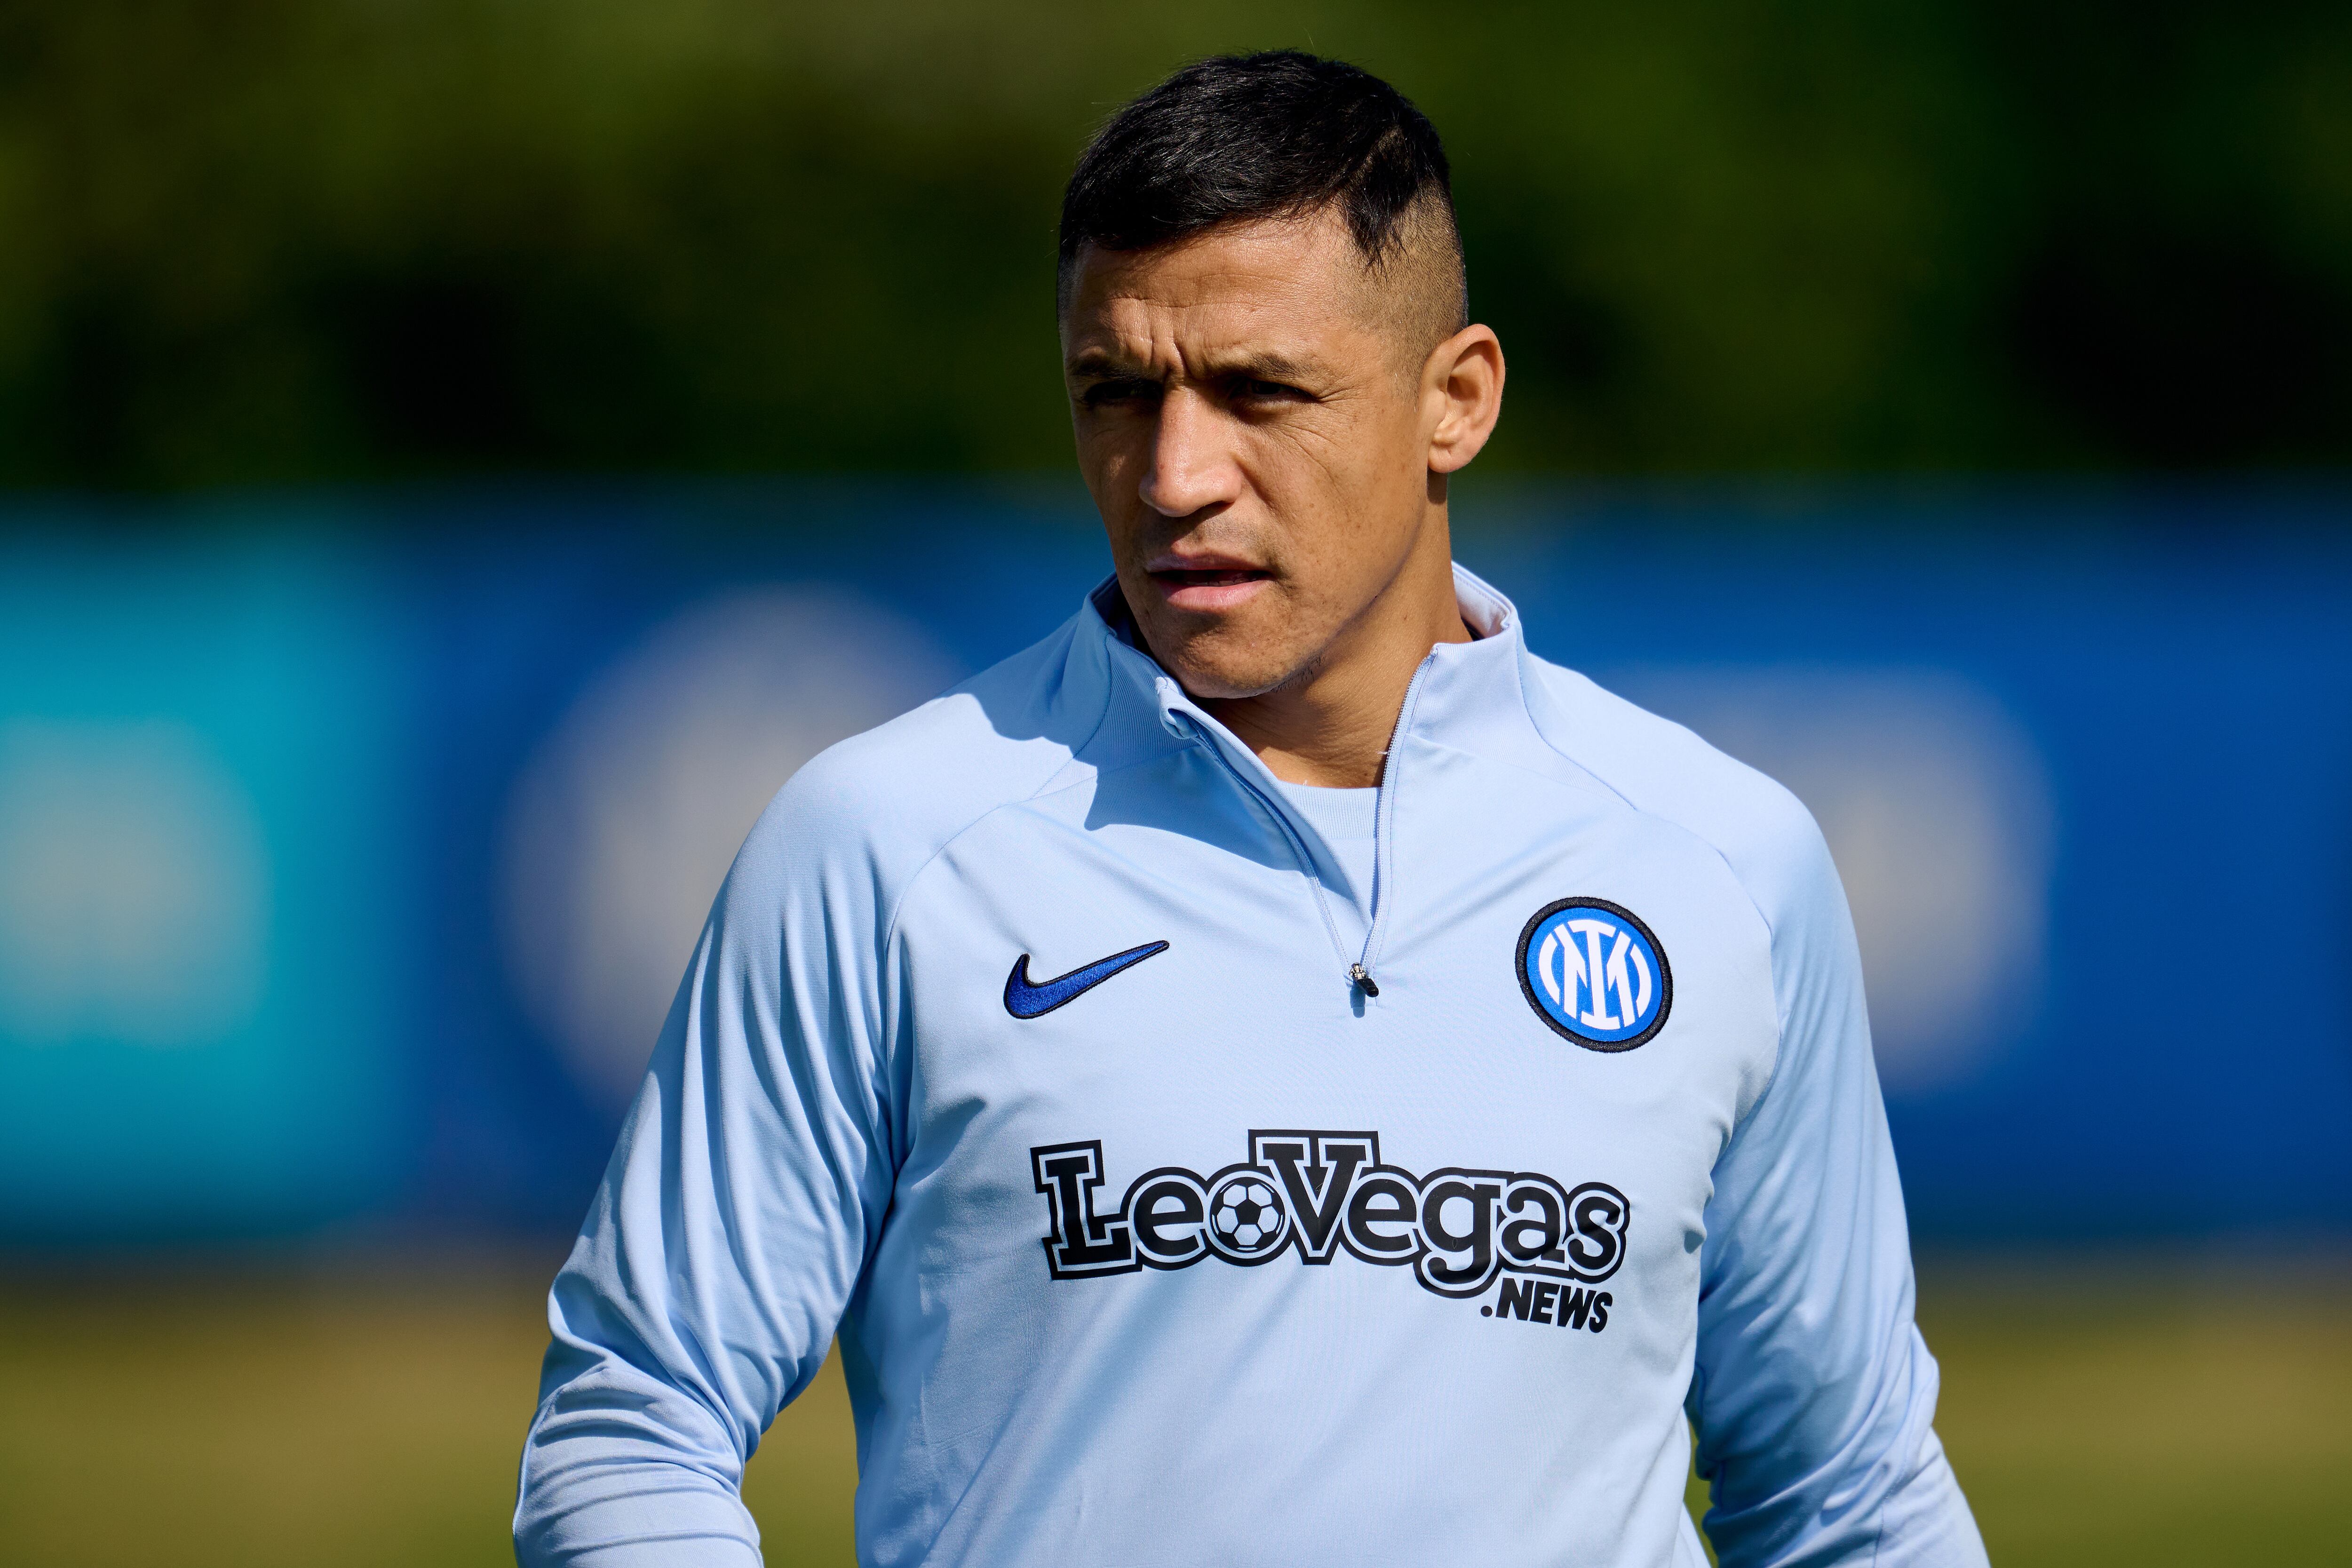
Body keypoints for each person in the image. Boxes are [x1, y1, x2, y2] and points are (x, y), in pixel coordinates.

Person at [515, 51, 1988, 1568]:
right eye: (1117, 391)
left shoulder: (1722, 862)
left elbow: (1849, 1499)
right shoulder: (885, 847)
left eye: (1259, 392)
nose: (1174, 473)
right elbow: (637, 1431)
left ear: (1456, 402)